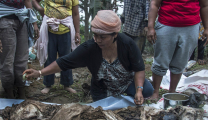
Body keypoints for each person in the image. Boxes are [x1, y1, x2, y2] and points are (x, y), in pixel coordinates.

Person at [24, 10, 154, 105]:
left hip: (126, 82)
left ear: (115, 35)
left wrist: (139, 90)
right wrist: (40, 72)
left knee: (147, 90)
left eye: (102, 37)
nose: (97, 40)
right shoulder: (90, 47)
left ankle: (132, 94)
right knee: (102, 107)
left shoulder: (127, 44)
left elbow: (139, 68)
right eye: (95, 35)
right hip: (103, 87)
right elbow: (64, 62)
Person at [147, 0, 208, 100]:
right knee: (161, 60)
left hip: (191, 26)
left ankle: (172, 92)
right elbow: (154, 4)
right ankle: (155, 92)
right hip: (166, 24)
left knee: (181, 61)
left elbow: (204, 5)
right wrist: (150, 27)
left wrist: (206, 27)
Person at [0, 0, 39, 99]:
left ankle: (21, 90)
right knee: (7, 61)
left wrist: (34, 23)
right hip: (3, 20)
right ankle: (9, 93)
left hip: (22, 19)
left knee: (22, 59)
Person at [32, 0, 80, 94]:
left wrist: (77, 32)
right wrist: (40, 9)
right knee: (49, 57)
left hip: (66, 30)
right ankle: (48, 84)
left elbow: (75, 13)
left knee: (66, 58)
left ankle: (67, 84)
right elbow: (34, 1)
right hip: (49, 30)